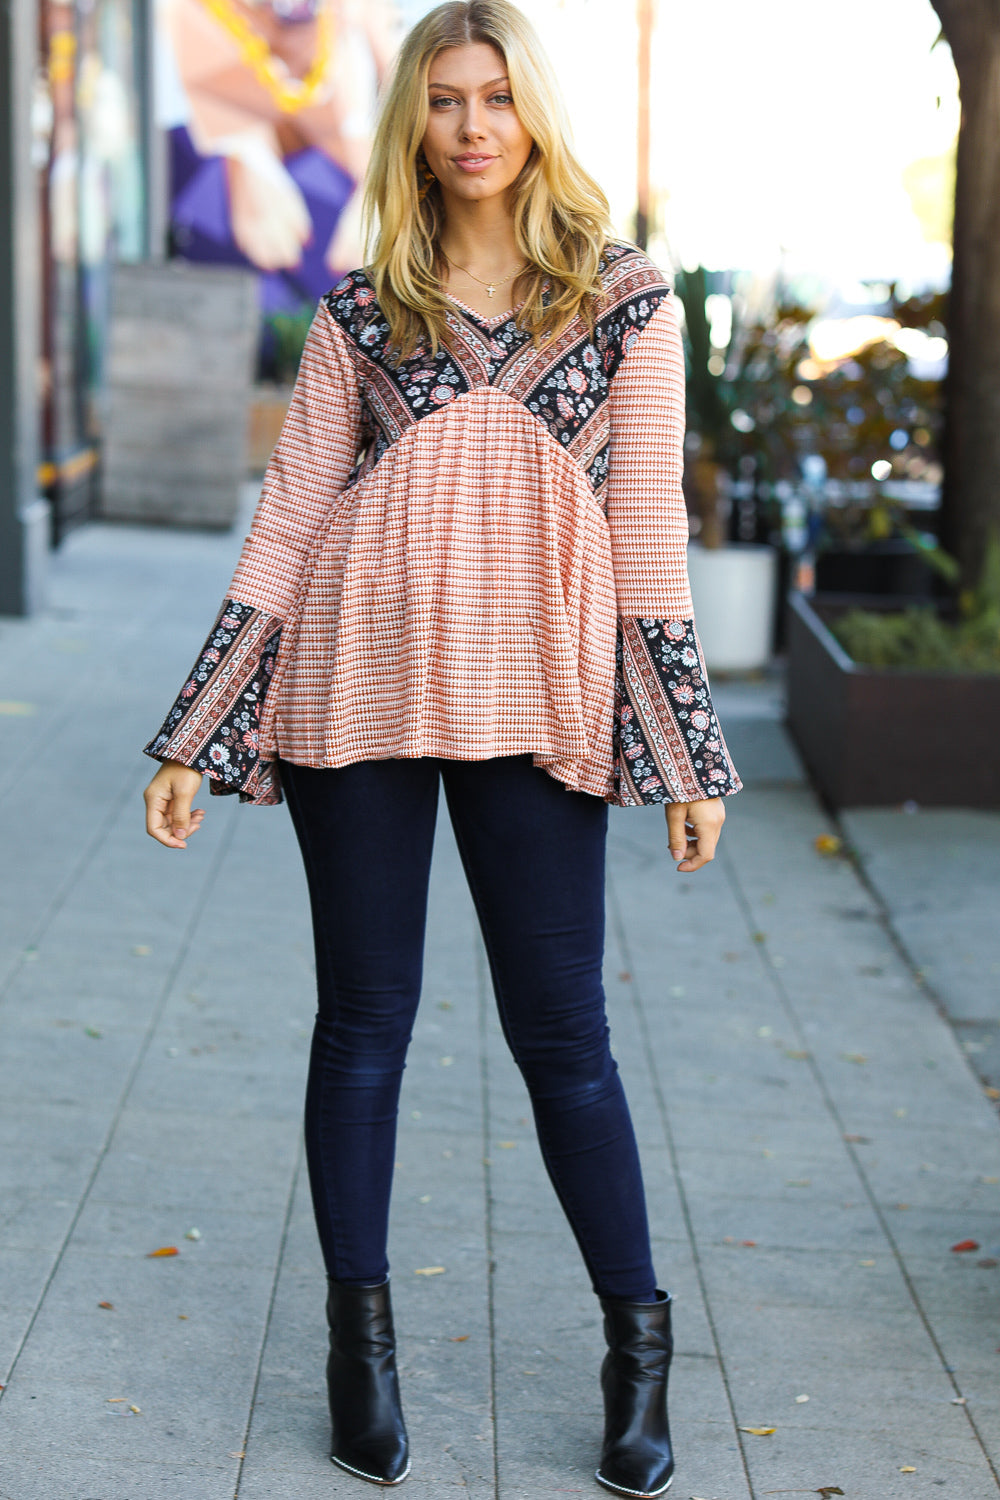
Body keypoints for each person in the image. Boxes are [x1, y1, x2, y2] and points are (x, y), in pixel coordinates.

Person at [142, 3, 741, 1494]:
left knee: (566, 1042)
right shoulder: (363, 311)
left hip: (536, 704)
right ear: (415, 121)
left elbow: (646, 537)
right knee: (364, 1027)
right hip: (355, 692)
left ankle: (638, 1350)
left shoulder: (624, 304)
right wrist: (195, 732)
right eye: (446, 101)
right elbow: (287, 519)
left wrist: (686, 756)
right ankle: (362, 1352)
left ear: (533, 115)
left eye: (497, 99)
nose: (474, 126)